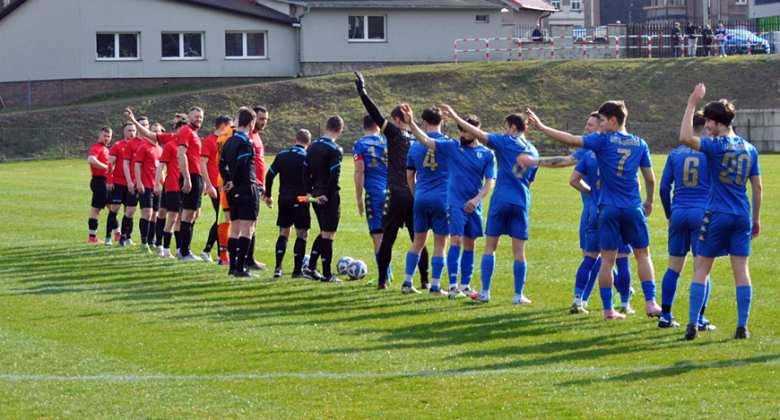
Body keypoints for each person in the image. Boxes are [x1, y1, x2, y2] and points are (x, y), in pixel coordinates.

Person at [524, 101, 662, 320]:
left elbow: (569, 140)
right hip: (633, 206)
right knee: (642, 255)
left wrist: (541, 127)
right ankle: (651, 303)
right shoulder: (640, 144)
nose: (601, 125)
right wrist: (649, 201)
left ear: (613, 120)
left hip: (607, 208)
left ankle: (609, 310)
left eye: (604, 120)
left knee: (607, 260)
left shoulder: (602, 140)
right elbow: (650, 178)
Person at [679, 83, 762, 340]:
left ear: (716, 123)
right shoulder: (750, 148)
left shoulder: (715, 145)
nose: (706, 127)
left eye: (708, 123)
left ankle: (692, 324)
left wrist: (692, 103)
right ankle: (742, 327)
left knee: (702, 268)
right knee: (742, 271)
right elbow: (757, 188)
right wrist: (756, 219)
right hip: (741, 216)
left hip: (716, 213)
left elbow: (684, 138)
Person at [442, 105, 537, 305]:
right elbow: (529, 182)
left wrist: (457, 117)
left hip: (500, 200)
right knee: (519, 251)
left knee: (490, 247)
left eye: (505, 128)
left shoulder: (506, 141)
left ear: (512, 127)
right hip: (521, 201)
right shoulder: (534, 151)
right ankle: (518, 295)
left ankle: (485, 291)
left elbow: (480, 134)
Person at [403, 105, 496, 298]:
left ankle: (461, 285)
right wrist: (410, 122)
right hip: (449, 202)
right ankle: (445, 286)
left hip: (448, 201)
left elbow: (490, 182)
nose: (462, 133)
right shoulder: (451, 146)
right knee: (449, 242)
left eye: (466, 130)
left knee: (466, 244)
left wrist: (477, 199)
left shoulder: (485, 154)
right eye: (460, 129)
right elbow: (427, 141)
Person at [355, 72, 430, 291]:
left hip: (396, 193)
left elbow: (375, 114)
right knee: (418, 239)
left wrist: (363, 92)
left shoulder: (396, 135)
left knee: (387, 239)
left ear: (397, 120)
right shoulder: (420, 138)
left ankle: (382, 282)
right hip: (416, 193)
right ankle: (425, 280)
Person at [659, 111, 713, 329]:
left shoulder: (674, 154)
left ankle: (665, 316)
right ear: (705, 129)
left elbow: (664, 188)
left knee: (674, 267)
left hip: (679, 212)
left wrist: (669, 214)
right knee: (702, 269)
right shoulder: (711, 153)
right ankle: (699, 319)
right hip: (702, 214)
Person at [404, 107, 452, 295]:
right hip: (442, 198)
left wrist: (417, 195)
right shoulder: (449, 145)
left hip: (422, 197)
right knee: (440, 244)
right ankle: (435, 286)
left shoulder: (415, 147)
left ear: (424, 123)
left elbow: (409, 177)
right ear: (442, 122)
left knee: (418, 242)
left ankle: (407, 283)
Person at [302, 116, 346, 283]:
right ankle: (327, 274)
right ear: (340, 131)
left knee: (324, 232)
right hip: (328, 195)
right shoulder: (335, 149)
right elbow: (334, 176)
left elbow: (305, 171)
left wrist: (308, 192)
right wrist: (327, 195)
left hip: (314, 193)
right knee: (328, 235)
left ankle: (311, 268)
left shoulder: (312, 146)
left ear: (326, 126)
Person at [219, 107, 260, 278]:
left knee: (234, 229)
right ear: (251, 123)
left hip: (233, 189)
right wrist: (233, 180)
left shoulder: (228, 140)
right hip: (245, 187)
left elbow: (221, 163)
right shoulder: (246, 141)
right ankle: (241, 269)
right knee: (247, 229)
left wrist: (228, 180)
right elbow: (242, 163)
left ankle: (233, 267)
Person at [265, 129, 312, 278]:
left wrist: (269, 195)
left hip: (283, 197)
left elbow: (270, 175)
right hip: (300, 198)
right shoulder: (307, 157)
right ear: (308, 143)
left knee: (284, 232)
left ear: (294, 140)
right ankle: (297, 271)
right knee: (302, 235)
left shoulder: (282, 155)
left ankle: (278, 268)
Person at [353, 115, 390, 283]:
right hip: (391, 192)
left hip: (374, 193)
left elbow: (360, 170)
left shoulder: (360, 145)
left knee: (378, 236)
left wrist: (359, 197)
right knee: (389, 234)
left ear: (363, 127)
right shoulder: (387, 141)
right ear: (378, 126)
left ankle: (384, 276)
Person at [200, 115, 233, 263]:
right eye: (230, 126)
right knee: (222, 219)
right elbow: (203, 164)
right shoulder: (209, 141)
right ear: (222, 126)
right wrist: (208, 184)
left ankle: (220, 253)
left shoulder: (225, 140)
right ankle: (208, 250)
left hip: (223, 185)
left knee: (223, 219)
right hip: (215, 185)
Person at [243, 105, 270, 272]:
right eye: (261, 119)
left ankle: (249, 258)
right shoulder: (248, 137)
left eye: (266, 119)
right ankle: (246, 259)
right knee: (248, 223)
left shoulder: (257, 136)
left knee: (253, 222)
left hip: (258, 184)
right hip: (250, 185)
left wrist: (263, 184)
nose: (264, 122)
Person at [154, 121, 187, 258]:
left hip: (183, 187)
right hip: (172, 185)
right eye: (182, 129)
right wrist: (157, 184)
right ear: (176, 130)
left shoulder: (186, 146)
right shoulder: (170, 145)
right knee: (169, 217)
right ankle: (163, 247)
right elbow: (160, 166)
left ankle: (178, 249)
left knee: (179, 218)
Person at [177, 106, 206, 261]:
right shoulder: (186, 131)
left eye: (200, 117)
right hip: (191, 177)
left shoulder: (195, 134)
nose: (198, 119)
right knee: (187, 215)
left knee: (194, 214)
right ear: (188, 117)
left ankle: (186, 250)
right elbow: (181, 155)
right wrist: (187, 177)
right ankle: (184, 252)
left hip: (197, 177)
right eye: (196, 116)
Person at [133, 126, 164, 253]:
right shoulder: (143, 146)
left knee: (155, 215)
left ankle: (151, 242)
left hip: (156, 186)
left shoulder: (160, 149)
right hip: (145, 185)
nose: (157, 133)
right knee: (147, 213)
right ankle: (143, 242)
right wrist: (139, 183)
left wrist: (163, 183)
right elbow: (137, 165)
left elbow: (160, 169)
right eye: (154, 130)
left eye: (159, 131)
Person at [122, 115, 150, 247]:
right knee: (130, 211)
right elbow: (126, 164)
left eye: (147, 125)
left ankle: (146, 240)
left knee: (147, 212)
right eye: (142, 125)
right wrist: (129, 182)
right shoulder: (131, 144)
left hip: (147, 184)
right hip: (134, 182)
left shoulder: (150, 142)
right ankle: (124, 237)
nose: (145, 127)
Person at [106, 122, 135, 246]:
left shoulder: (139, 146)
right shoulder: (117, 145)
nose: (131, 133)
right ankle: (108, 237)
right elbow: (110, 164)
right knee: (115, 209)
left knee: (130, 211)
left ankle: (127, 237)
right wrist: (109, 180)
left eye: (133, 130)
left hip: (132, 184)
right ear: (124, 132)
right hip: (118, 183)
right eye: (129, 130)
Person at [87, 127, 112, 243]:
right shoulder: (96, 147)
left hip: (105, 181)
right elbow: (91, 160)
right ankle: (92, 237)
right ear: (99, 135)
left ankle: (118, 233)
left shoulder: (105, 148)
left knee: (112, 207)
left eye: (109, 136)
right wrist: (106, 168)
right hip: (99, 181)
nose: (107, 138)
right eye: (105, 136)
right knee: (96, 209)